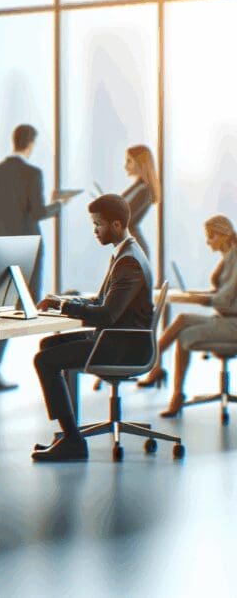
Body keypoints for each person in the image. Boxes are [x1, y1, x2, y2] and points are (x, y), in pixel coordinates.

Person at [31, 194, 153, 462]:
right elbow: (101, 302)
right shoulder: (123, 253)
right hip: (116, 338)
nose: (95, 231)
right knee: (49, 346)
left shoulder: (128, 262)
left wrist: (64, 308)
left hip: (122, 345)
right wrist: (63, 301)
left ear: (117, 225)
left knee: (44, 360)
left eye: (98, 225)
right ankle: (69, 433)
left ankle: (73, 441)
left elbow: (107, 315)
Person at [0, 124, 62, 392]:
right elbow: (37, 212)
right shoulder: (32, 173)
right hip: (28, 243)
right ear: (30, 143)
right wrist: (57, 205)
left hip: (1, 243)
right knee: (23, 306)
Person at [145, 215, 237, 417]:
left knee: (185, 335)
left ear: (223, 235)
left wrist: (198, 299)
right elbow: (223, 294)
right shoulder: (228, 258)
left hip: (233, 325)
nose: (207, 242)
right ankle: (155, 365)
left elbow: (224, 299)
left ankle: (171, 388)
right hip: (225, 319)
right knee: (182, 320)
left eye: (211, 237)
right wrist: (202, 296)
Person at [122, 144, 161, 260]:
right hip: (130, 244)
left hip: (135, 247)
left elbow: (127, 219)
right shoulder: (138, 187)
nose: (125, 166)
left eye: (129, 161)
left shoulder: (144, 191)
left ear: (140, 163)